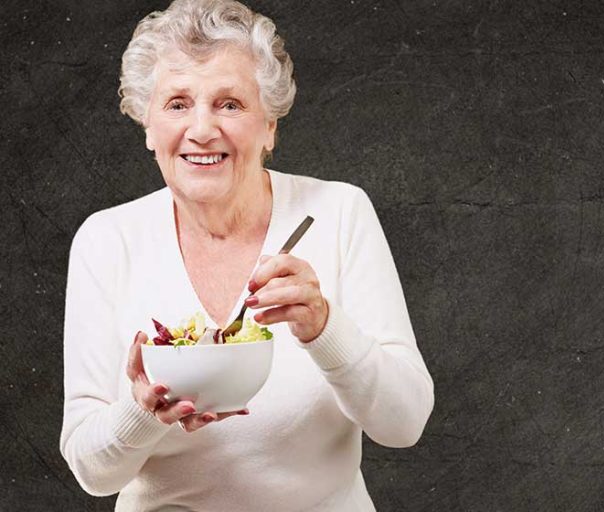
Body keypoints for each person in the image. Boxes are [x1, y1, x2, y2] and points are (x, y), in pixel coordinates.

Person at [58, 0, 434, 510]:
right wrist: (142, 410)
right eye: (177, 103)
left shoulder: (339, 213)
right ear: (148, 125)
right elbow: (92, 473)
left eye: (230, 104)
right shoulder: (106, 240)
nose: (202, 129)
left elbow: (405, 424)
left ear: (269, 126)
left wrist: (325, 329)